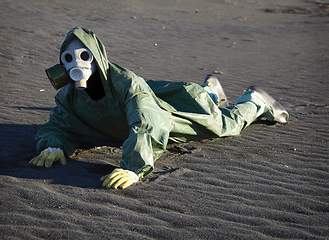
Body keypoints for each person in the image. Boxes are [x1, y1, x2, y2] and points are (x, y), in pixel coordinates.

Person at [29, 27, 289, 189]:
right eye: (69, 57)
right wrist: (54, 144)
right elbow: (59, 124)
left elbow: (147, 121)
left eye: (84, 56)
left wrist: (134, 166)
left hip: (164, 116)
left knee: (223, 126)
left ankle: (255, 101)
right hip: (131, 121)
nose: (78, 63)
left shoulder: (126, 83)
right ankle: (210, 92)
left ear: (97, 57)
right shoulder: (68, 94)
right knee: (201, 104)